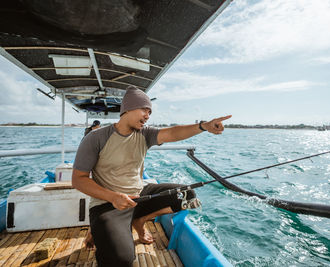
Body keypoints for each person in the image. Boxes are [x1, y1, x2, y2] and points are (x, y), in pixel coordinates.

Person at [72, 85, 231, 267]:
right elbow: (78, 179)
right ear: (128, 109)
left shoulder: (145, 134)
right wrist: (113, 197)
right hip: (108, 204)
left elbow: (172, 132)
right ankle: (98, 229)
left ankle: (139, 220)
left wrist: (204, 126)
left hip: (140, 196)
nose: (148, 115)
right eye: (144, 110)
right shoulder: (96, 138)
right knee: (121, 260)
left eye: (150, 111)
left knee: (187, 194)